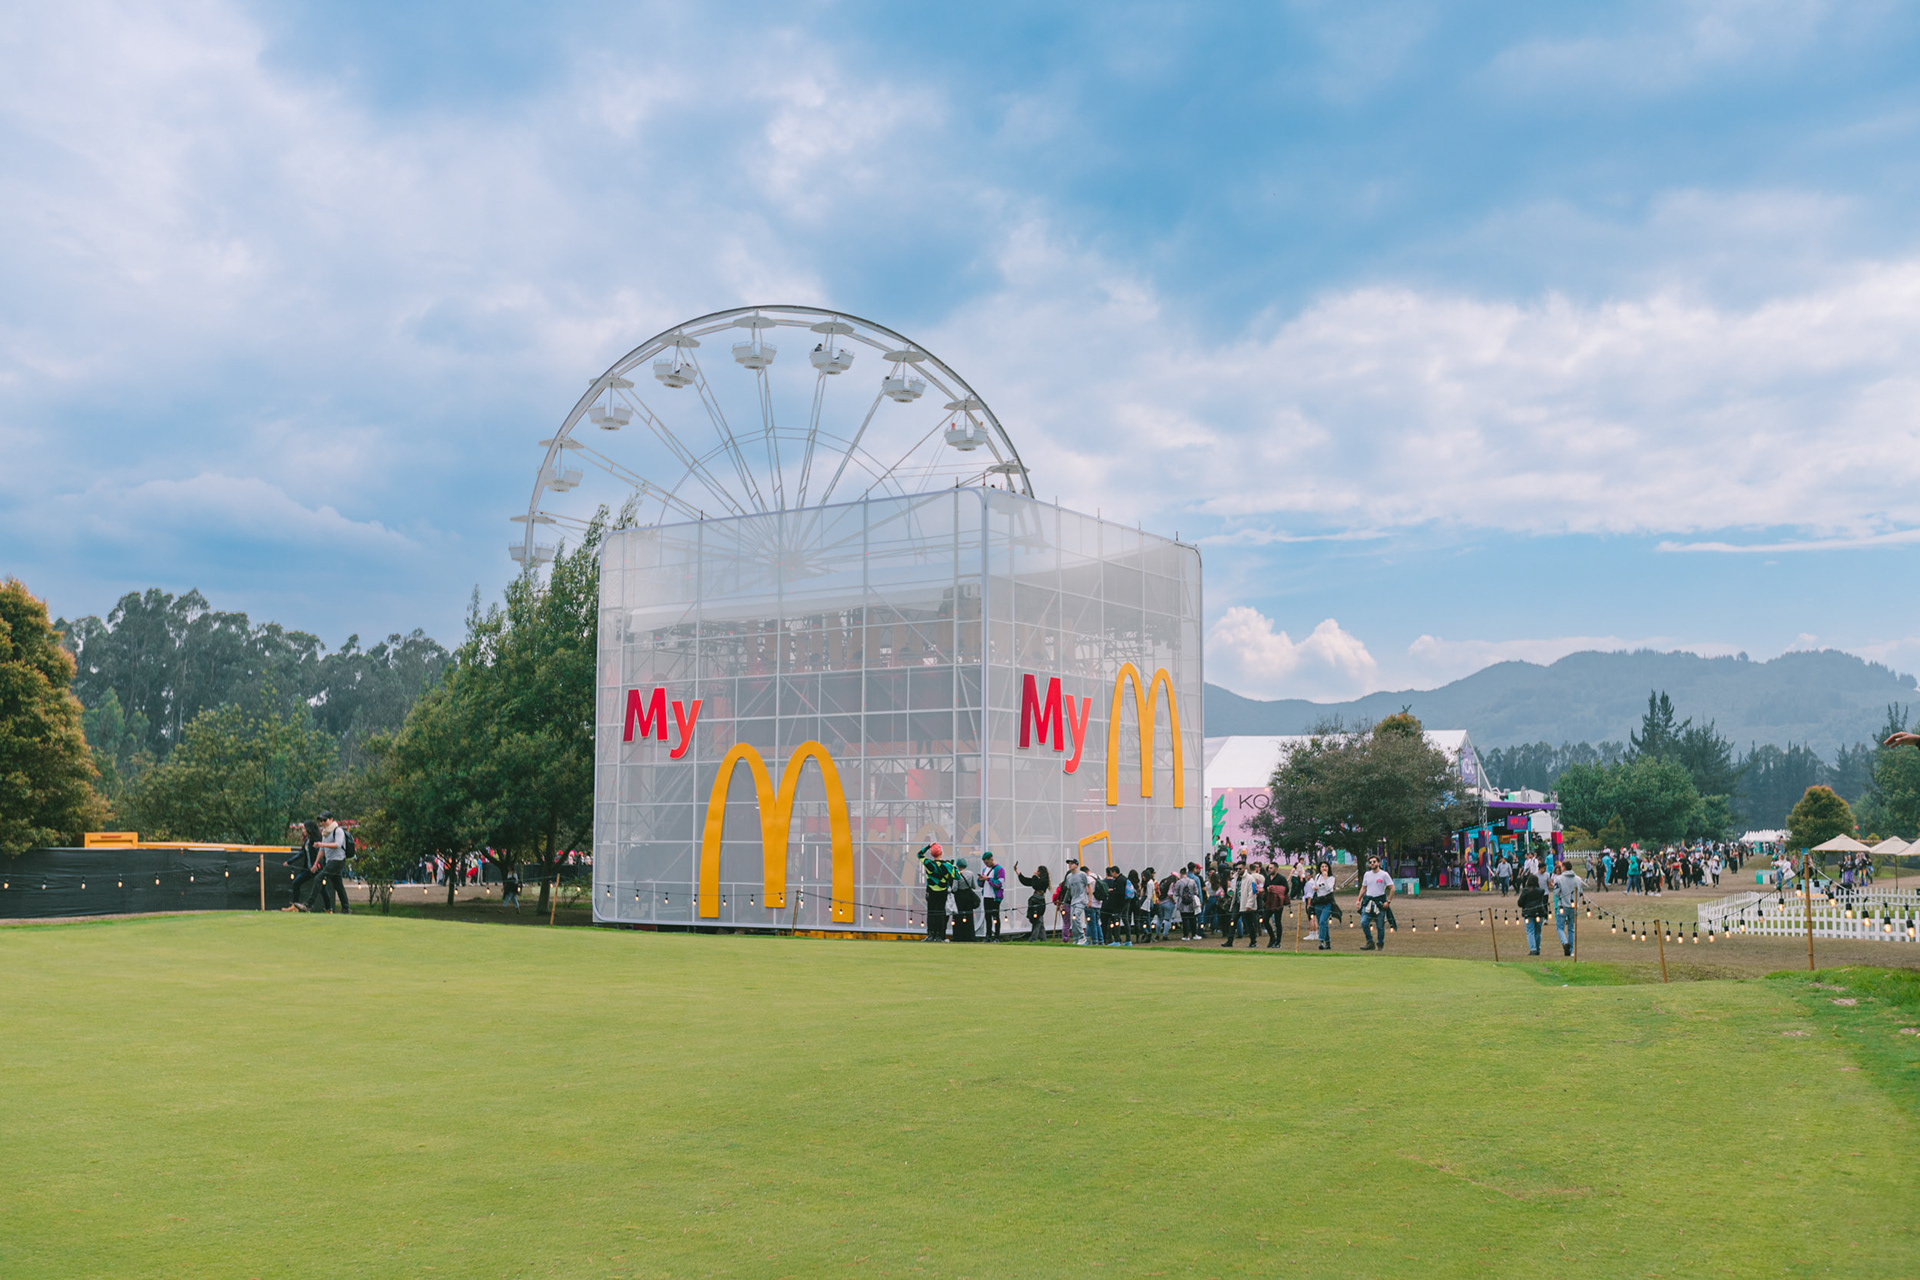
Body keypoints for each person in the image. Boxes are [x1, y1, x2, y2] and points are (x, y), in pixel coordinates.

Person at [281, 818, 323, 912]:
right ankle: (294, 906)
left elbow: (320, 855)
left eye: (304, 829)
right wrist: (289, 861)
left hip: (316, 868)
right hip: (308, 868)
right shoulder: (307, 841)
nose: (303, 831)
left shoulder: (316, 841)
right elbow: (302, 853)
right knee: (296, 882)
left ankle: (329, 908)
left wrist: (317, 865)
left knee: (323, 889)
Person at [918, 842, 955, 941]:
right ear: (941, 853)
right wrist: (953, 867)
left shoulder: (928, 863)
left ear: (932, 854)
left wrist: (928, 846)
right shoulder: (947, 865)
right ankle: (939, 935)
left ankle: (930, 934)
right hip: (942, 891)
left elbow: (919, 854)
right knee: (940, 913)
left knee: (931, 913)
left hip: (931, 891)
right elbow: (957, 876)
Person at [316, 812, 351, 914]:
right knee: (338, 885)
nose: (322, 823)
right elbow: (321, 850)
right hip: (330, 861)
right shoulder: (325, 833)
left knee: (319, 878)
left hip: (338, 860)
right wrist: (315, 864)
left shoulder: (338, 831)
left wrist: (321, 844)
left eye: (325, 820)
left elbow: (338, 844)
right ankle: (346, 908)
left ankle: (308, 904)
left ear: (331, 819)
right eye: (321, 821)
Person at [1358, 854, 1393, 952]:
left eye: (1374, 862)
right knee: (1364, 922)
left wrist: (1388, 901)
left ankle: (1380, 944)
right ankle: (1370, 942)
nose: (1372, 863)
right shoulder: (1367, 874)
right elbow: (1364, 888)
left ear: (1378, 863)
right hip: (1368, 901)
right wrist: (1358, 899)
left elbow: (1392, 888)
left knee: (1380, 925)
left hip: (1380, 902)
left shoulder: (1384, 874)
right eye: (1370, 862)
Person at [1551, 863, 1586, 957]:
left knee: (1560, 927)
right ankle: (1570, 950)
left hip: (1562, 905)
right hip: (1574, 907)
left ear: (1564, 868)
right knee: (1571, 929)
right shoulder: (1578, 879)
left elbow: (1556, 893)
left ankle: (1564, 942)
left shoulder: (1558, 879)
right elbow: (1581, 892)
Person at [1224, 862, 1261, 947]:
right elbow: (1234, 890)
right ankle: (1229, 941)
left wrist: (1249, 905)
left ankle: (1253, 941)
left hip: (1246, 903)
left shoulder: (1250, 879)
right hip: (1237, 903)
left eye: (1240, 869)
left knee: (1249, 923)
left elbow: (1253, 892)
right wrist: (1230, 892)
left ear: (1244, 869)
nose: (1238, 870)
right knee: (1232, 921)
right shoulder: (1236, 878)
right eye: (1237, 869)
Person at [1303, 859, 1337, 951]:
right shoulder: (1318, 876)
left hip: (1327, 902)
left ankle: (1321, 941)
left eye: (1326, 866)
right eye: (1322, 866)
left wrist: (1325, 879)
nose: (1324, 868)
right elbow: (1315, 886)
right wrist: (1315, 887)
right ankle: (1328, 942)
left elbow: (1329, 889)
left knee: (1322, 921)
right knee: (1323, 923)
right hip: (1318, 902)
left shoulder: (1331, 878)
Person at [1015, 861, 1050, 942]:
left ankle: (1033, 939)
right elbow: (1026, 881)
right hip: (1036, 900)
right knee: (1039, 921)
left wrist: (1034, 876)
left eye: (1037, 871)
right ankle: (1043, 939)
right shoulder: (1037, 880)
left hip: (1039, 900)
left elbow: (1036, 885)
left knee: (1037, 921)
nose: (1035, 871)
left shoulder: (1044, 881)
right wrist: (1018, 872)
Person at [1062, 858, 1093, 945]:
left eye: (1071, 863)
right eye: (1069, 863)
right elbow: (1068, 891)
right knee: (1073, 920)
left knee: (1076, 917)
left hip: (1081, 900)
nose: (1070, 865)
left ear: (1076, 865)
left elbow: (1089, 887)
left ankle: (1082, 937)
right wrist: (1063, 903)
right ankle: (1076, 939)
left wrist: (1089, 900)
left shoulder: (1082, 875)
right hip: (1073, 901)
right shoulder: (1069, 877)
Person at [1517, 872, 1549, 956]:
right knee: (1538, 931)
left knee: (1530, 931)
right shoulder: (1541, 891)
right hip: (1539, 912)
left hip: (1528, 913)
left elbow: (1520, 903)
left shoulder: (1525, 891)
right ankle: (1537, 948)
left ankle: (1533, 949)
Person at [949, 857, 979, 941]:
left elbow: (954, 888)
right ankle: (970, 936)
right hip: (968, 896)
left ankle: (958, 936)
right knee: (969, 916)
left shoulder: (957, 874)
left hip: (959, 897)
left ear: (958, 865)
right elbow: (973, 886)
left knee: (958, 917)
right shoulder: (970, 873)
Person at [978, 852, 1006, 941]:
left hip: (995, 897)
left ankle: (997, 936)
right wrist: (981, 880)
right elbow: (981, 885)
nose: (986, 864)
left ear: (991, 859)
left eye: (987, 862)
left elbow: (999, 884)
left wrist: (988, 879)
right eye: (985, 863)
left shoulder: (1000, 869)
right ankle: (988, 935)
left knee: (995, 916)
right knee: (987, 916)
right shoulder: (984, 869)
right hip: (986, 896)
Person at [1259, 868, 1288, 947]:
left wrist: (1273, 889)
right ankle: (1272, 937)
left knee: (1278, 922)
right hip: (1269, 902)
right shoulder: (1267, 877)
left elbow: (1286, 889)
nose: (1269, 869)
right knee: (1265, 920)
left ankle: (1278, 942)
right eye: (1269, 868)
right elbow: (1265, 888)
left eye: (1271, 868)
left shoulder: (1281, 878)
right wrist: (1262, 890)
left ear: (1276, 869)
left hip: (1278, 902)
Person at [1174, 867, 1202, 941]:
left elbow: (1176, 893)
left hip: (1182, 903)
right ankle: (1194, 934)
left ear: (1181, 873)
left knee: (1185, 919)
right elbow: (1196, 892)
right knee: (1193, 919)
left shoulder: (1178, 882)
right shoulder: (1192, 881)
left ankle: (1186, 935)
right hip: (1191, 902)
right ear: (1186, 873)